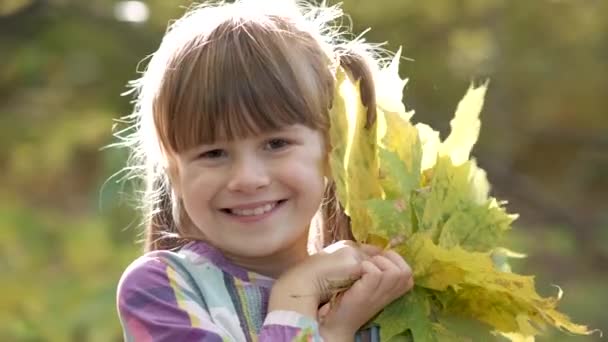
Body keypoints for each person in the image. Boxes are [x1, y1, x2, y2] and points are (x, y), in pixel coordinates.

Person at [115, 0, 414, 340]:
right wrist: (300, 297)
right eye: (213, 153)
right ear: (176, 175)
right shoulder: (163, 289)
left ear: (333, 150)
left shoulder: (383, 291)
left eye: (276, 144)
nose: (247, 179)